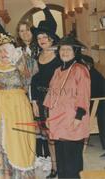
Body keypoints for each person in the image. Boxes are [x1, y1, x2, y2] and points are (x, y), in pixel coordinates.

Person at [0, 32, 35, 178]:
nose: (4, 53)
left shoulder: (22, 61)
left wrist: (20, 64)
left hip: (17, 106)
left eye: (7, 49)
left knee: (18, 140)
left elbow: (28, 81)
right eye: (0, 50)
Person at [43, 35, 91, 178]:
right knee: (62, 160)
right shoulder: (57, 71)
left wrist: (78, 118)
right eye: (62, 49)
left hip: (73, 120)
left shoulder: (80, 70)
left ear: (75, 51)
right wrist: (47, 117)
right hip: (57, 121)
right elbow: (51, 95)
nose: (64, 52)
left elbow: (84, 95)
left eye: (68, 49)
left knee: (72, 162)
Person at [30, 0, 61, 175]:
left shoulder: (60, 55)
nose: (41, 40)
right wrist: (34, 101)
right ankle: (55, 167)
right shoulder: (37, 56)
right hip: (42, 101)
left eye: (44, 37)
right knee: (49, 137)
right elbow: (34, 81)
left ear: (51, 39)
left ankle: (64, 165)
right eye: (39, 37)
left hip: (58, 100)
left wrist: (44, 8)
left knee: (60, 135)